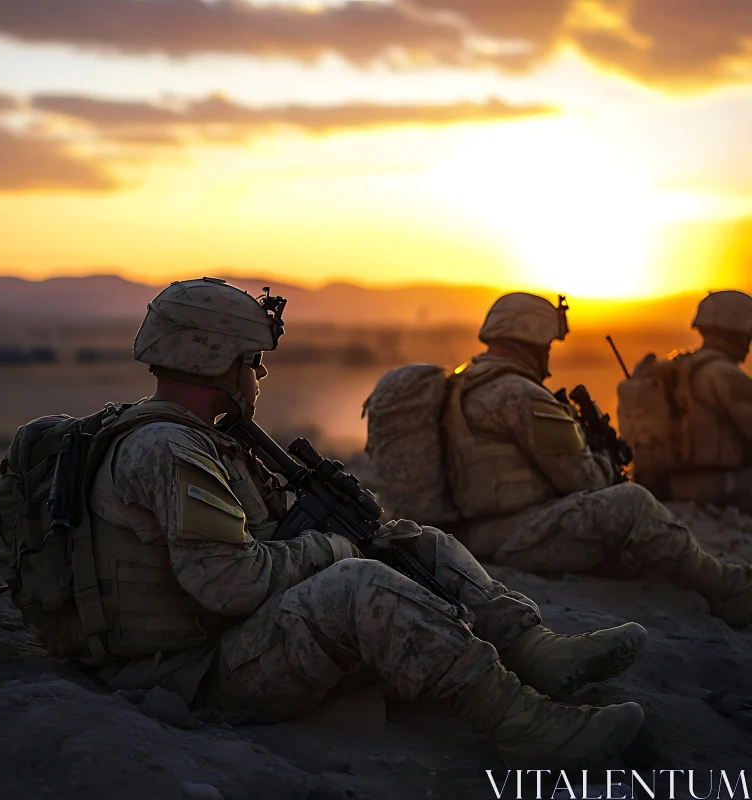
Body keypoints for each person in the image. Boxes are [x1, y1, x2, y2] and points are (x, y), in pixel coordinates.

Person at [82, 278, 647, 768]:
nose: (259, 373)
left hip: (221, 641)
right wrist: (328, 550)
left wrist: (352, 539)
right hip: (191, 673)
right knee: (357, 583)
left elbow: (258, 541)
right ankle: (525, 726)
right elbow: (227, 582)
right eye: (251, 359)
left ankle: (535, 651)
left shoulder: (210, 439)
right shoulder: (168, 449)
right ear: (214, 359)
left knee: (414, 544)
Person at [441, 292, 752, 629]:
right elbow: (582, 479)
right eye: (548, 344)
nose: (548, 354)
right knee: (630, 504)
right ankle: (726, 587)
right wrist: (605, 460)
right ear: (533, 339)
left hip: (483, 532)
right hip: (516, 534)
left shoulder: (462, 380)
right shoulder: (520, 393)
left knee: (633, 550)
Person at [617, 290, 752, 513]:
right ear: (739, 331)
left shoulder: (677, 368)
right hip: (716, 487)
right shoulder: (723, 374)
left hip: (666, 487)